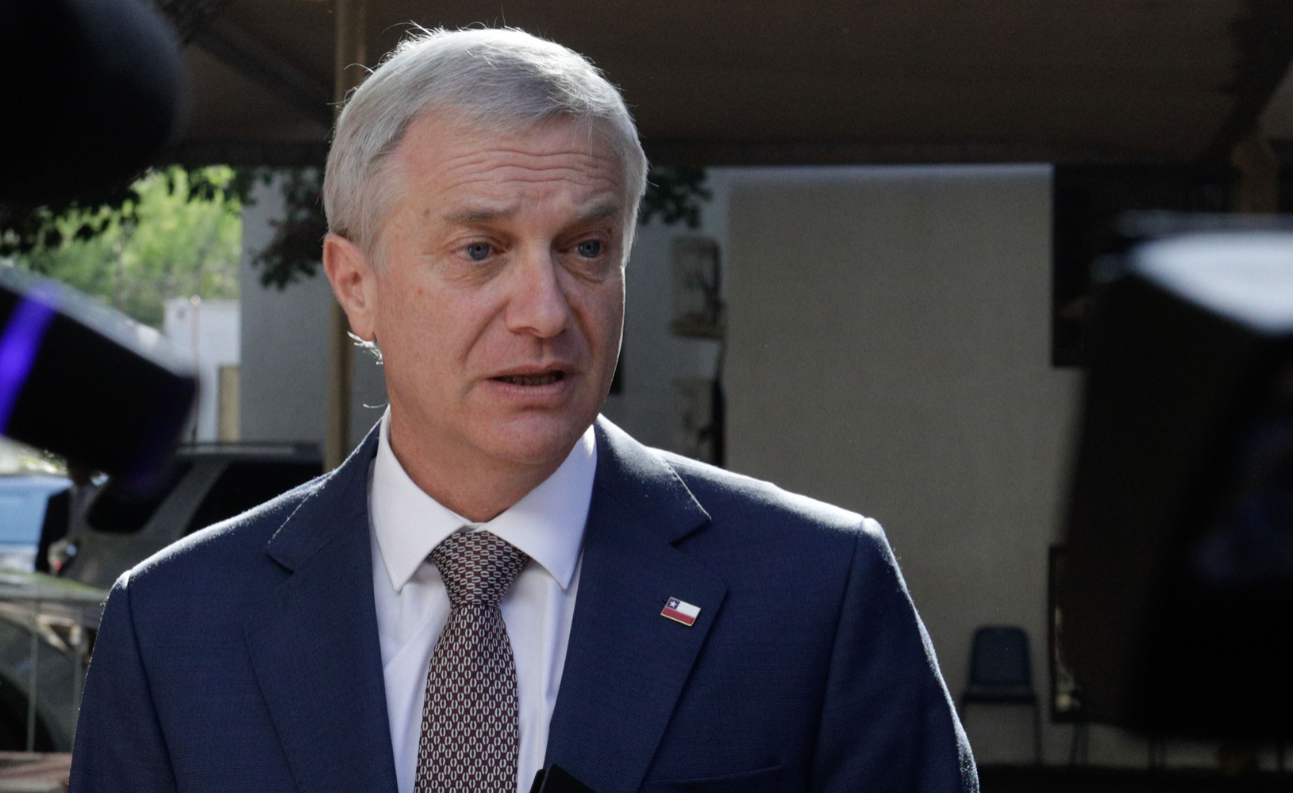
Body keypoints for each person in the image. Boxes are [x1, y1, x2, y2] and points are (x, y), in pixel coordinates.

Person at [69, 27, 976, 793]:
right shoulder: (175, 627)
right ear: (356, 284)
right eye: (480, 249)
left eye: (586, 248)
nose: (545, 311)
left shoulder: (818, 591)